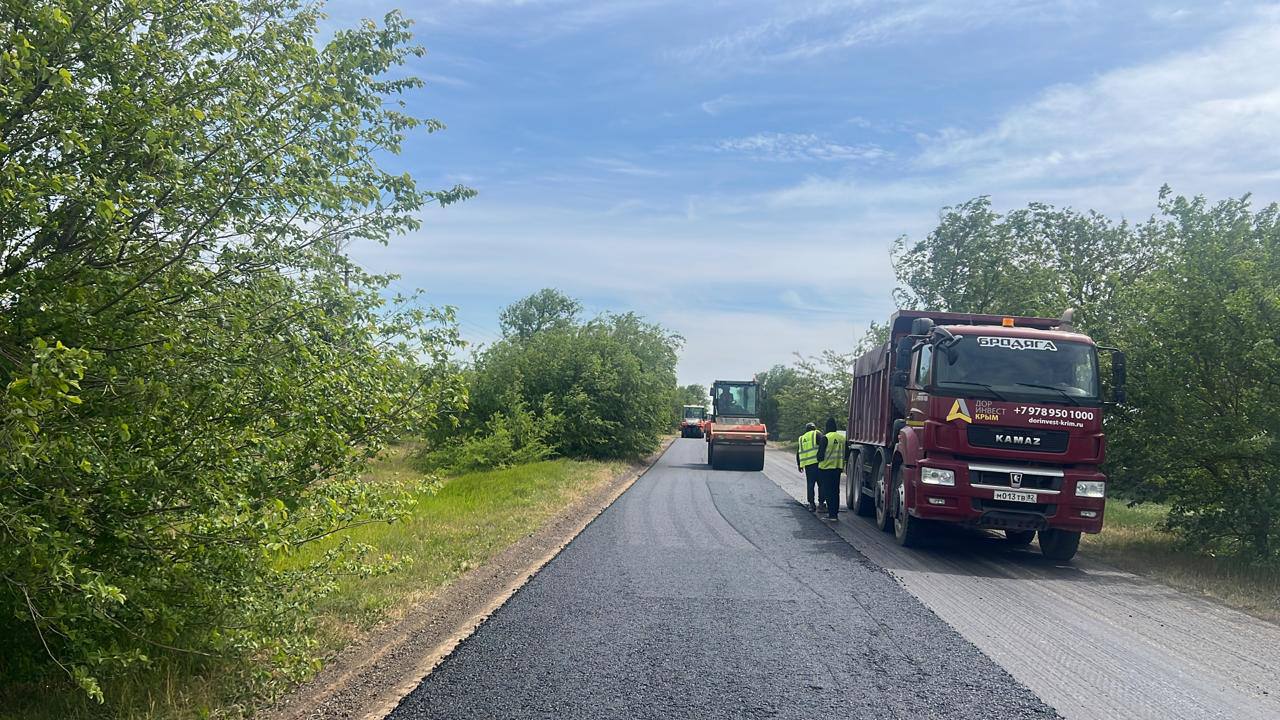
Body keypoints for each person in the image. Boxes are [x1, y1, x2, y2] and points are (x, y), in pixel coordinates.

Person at [816, 417, 846, 522]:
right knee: (835, 491)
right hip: (837, 468)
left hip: (825, 468)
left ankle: (831, 514)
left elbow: (820, 456)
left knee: (828, 492)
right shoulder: (842, 438)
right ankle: (835, 514)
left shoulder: (825, 438)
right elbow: (845, 454)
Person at [796, 422, 825, 512]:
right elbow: (823, 446)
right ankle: (821, 504)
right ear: (814, 428)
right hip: (818, 464)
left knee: (810, 484)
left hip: (808, 465)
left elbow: (798, 452)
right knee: (821, 484)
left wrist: (799, 465)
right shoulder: (817, 434)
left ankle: (811, 504)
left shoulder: (801, 438)